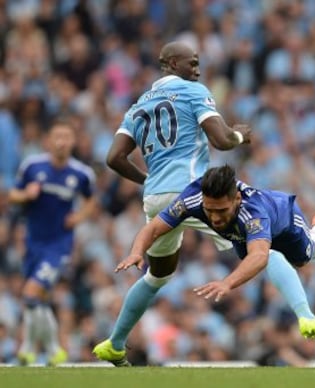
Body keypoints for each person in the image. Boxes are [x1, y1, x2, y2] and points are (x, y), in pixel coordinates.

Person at [95, 164, 315, 366]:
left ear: (237, 199)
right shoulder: (192, 199)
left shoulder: (253, 212)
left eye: (222, 210)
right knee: (265, 254)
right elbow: (153, 227)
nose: (215, 218)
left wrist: (227, 283)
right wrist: (137, 251)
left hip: (285, 223)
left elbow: (259, 257)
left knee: (302, 255)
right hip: (241, 237)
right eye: (210, 210)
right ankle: (307, 318)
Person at [93, 41, 251, 365]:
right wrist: (239, 135)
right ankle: (306, 315)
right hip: (190, 190)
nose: (197, 68)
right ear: (170, 63)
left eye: (198, 63)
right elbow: (220, 140)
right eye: (191, 62)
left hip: (155, 198)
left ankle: (115, 343)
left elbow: (114, 158)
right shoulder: (194, 91)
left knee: (158, 275)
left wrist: (147, 181)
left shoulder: (138, 105)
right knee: (261, 241)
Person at [8, 119, 97, 366]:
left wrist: (78, 217)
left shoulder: (81, 174)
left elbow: (91, 201)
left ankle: (28, 347)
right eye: (57, 136)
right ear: (48, 140)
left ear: (73, 141)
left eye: (66, 137)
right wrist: (26, 194)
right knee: (39, 298)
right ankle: (54, 349)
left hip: (59, 245)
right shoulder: (32, 166)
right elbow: (12, 195)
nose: (61, 141)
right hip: (33, 241)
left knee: (31, 292)